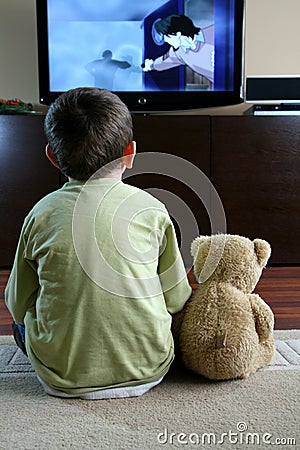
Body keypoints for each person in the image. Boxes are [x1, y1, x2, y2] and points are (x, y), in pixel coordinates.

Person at [5, 87, 192, 400]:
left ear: (52, 156)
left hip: (62, 377)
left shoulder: (41, 213)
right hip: (149, 368)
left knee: (20, 327)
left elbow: (17, 304)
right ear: (130, 153)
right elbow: (176, 300)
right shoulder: (153, 209)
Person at [143, 14, 214, 83]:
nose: (168, 43)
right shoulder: (178, 53)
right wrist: (151, 65)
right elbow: (163, 62)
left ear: (177, 34)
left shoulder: (212, 32)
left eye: (168, 39)